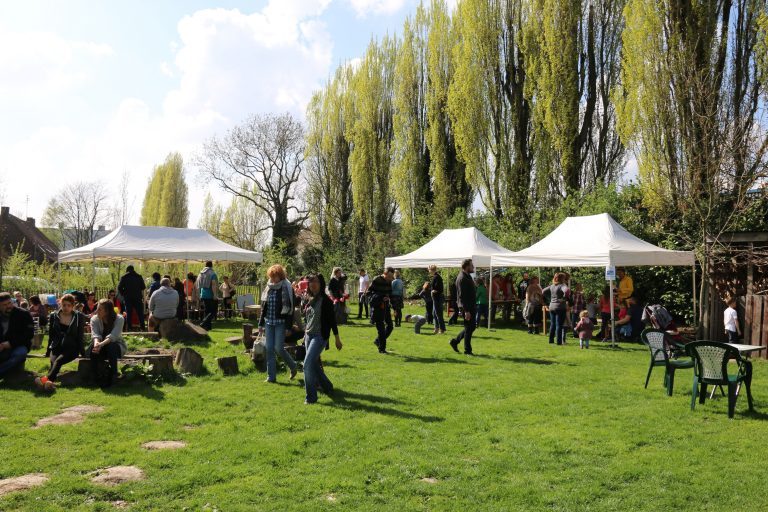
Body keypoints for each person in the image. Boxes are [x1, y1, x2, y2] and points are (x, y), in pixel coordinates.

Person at [302, 273, 342, 404]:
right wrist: (304, 334)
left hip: (319, 336)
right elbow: (307, 319)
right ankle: (327, 386)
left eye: (316, 282)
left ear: (321, 284)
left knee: (307, 365)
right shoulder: (308, 299)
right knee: (313, 364)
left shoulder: (326, 301)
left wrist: (337, 338)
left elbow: (332, 321)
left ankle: (311, 398)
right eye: (311, 282)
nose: (313, 284)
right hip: (308, 335)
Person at [36, 294, 87, 391]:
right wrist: (48, 351)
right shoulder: (54, 316)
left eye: (68, 305)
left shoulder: (78, 316)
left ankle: (43, 381)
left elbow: (80, 335)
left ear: (73, 306)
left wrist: (83, 352)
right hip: (56, 346)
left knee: (58, 361)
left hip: (72, 347)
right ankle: (49, 386)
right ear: (60, 305)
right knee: (53, 362)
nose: (66, 307)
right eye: (64, 305)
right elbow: (51, 335)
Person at [258, 264, 298, 383]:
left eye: (275, 276)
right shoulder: (268, 288)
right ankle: (271, 377)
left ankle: (293, 366)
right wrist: (260, 324)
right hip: (269, 322)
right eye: (271, 276)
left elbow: (291, 309)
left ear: (280, 275)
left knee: (278, 348)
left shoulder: (287, 287)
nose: (273, 279)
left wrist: (288, 327)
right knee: (269, 349)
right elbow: (264, 308)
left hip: (281, 322)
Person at [88, 299, 127, 388]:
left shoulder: (119, 319)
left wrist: (101, 344)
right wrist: (96, 344)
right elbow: (95, 334)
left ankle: (114, 376)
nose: (96, 311)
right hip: (101, 346)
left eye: (100, 309)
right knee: (92, 349)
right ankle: (95, 377)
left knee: (111, 346)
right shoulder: (94, 319)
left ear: (107, 311)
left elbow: (113, 336)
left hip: (115, 346)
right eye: (97, 308)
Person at [0, 292, 34, 379]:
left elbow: (29, 334)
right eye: (4, 305)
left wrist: (10, 343)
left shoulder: (24, 314)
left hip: (19, 345)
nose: (8, 306)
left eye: (9, 303)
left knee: (20, 354)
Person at [450, 259, 476, 355]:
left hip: (471, 306)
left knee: (470, 327)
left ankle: (455, 342)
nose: (473, 267)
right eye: (471, 265)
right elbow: (462, 296)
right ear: (466, 266)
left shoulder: (467, 276)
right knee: (469, 328)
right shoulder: (462, 278)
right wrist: (466, 311)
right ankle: (467, 351)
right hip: (467, 307)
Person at [368, 267, 395, 354]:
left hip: (386, 307)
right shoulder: (377, 279)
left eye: (392, 277)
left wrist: (394, 307)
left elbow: (390, 294)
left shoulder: (390, 281)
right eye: (389, 276)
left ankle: (377, 341)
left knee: (390, 326)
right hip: (377, 308)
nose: (390, 279)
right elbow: (369, 293)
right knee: (381, 329)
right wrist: (380, 297)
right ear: (385, 273)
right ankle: (382, 349)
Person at [118, 265, 146, 331]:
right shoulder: (139, 276)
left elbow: (119, 288)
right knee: (140, 313)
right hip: (137, 297)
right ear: (133, 269)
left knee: (129, 313)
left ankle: (129, 328)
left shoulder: (124, 277)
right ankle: (142, 327)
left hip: (128, 298)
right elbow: (143, 287)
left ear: (127, 270)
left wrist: (124, 294)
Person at [546, 272, 569, 345]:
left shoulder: (552, 286)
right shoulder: (562, 285)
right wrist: (564, 298)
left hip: (551, 306)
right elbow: (567, 291)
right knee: (559, 325)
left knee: (552, 324)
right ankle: (559, 342)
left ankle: (551, 340)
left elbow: (543, 291)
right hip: (560, 307)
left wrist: (549, 299)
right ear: (562, 278)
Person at [197, 261, 219, 331]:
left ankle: (208, 327)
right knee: (213, 312)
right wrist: (215, 295)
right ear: (211, 266)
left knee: (207, 311)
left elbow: (198, 285)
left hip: (203, 294)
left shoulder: (201, 273)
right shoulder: (213, 273)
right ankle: (203, 324)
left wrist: (199, 294)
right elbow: (213, 285)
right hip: (210, 295)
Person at [429, 265, 446, 335]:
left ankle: (442, 329)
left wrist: (433, 291)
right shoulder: (435, 277)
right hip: (435, 298)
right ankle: (436, 328)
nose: (429, 271)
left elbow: (439, 288)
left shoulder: (437, 277)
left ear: (432, 270)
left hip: (437, 298)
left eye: (429, 270)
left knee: (438, 314)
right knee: (434, 313)